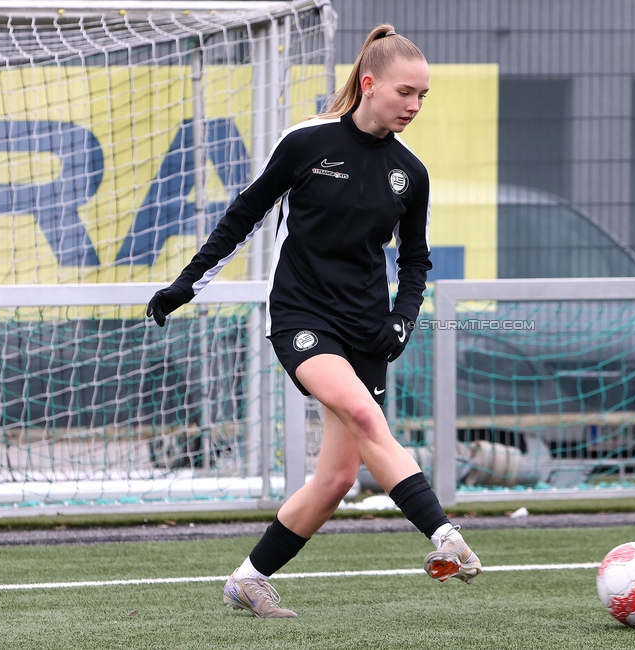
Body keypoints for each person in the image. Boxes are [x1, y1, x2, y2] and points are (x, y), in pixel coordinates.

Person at [146, 24, 481, 618]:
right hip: (302, 316)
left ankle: (248, 579)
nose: (415, 105)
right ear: (369, 84)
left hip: (367, 329)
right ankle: (443, 534)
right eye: (406, 92)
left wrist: (402, 320)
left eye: (424, 96)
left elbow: (416, 259)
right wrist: (186, 285)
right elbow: (243, 214)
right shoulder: (307, 142)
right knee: (360, 412)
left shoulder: (412, 173)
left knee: (334, 482)